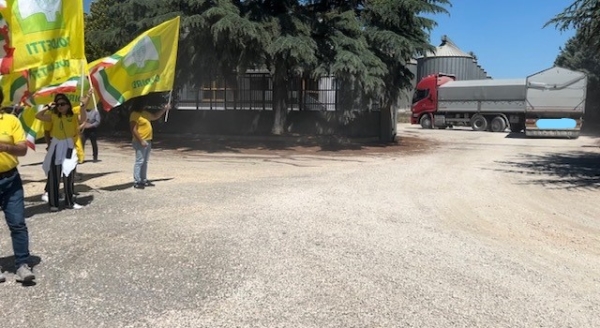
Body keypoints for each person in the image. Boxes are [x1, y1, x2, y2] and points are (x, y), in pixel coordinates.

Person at [0, 89, 35, 283]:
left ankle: (22, 264)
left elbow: (22, 150)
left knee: (18, 223)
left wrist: (5, 147)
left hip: (11, 179)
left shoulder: (11, 121)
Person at [36, 93, 89, 211]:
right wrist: (48, 107)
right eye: (58, 104)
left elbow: (83, 119)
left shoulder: (74, 115)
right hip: (56, 145)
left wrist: (83, 107)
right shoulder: (53, 115)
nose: (60, 106)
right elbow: (38, 116)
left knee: (69, 174)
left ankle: (69, 202)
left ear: (68, 105)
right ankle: (53, 204)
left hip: (69, 146)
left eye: (62, 104)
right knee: (54, 175)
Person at [130, 103, 171, 189]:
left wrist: (164, 109)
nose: (145, 105)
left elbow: (155, 116)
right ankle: (137, 181)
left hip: (148, 140)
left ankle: (143, 179)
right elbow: (133, 129)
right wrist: (141, 140)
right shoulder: (134, 115)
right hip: (140, 141)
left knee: (145, 161)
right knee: (139, 161)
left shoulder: (144, 113)